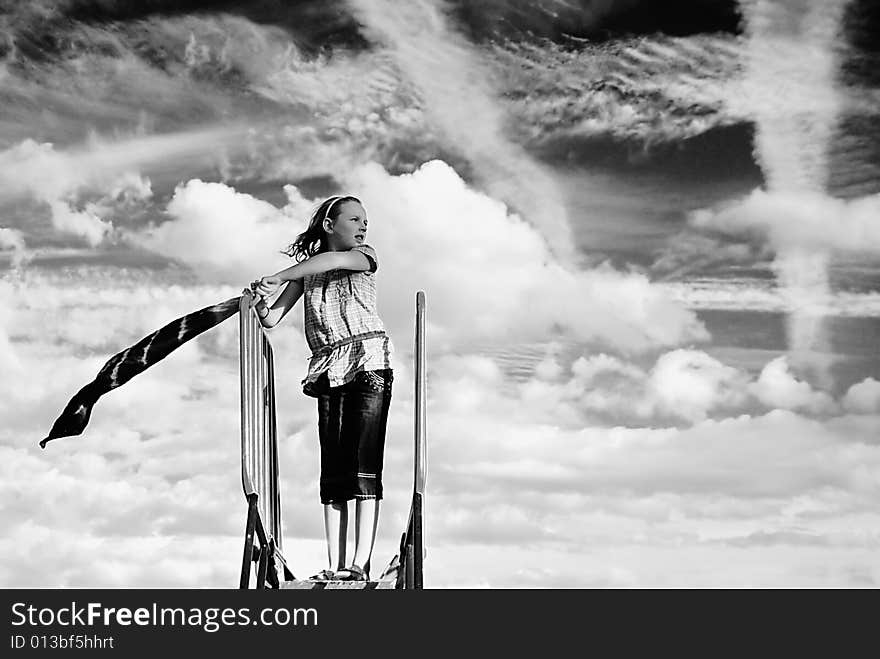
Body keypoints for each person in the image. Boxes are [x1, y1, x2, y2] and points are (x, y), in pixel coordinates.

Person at [250, 194, 394, 582]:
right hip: (328, 368)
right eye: (354, 219)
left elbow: (330, 261)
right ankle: (337, 561)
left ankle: (359, 563)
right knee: (333, 470)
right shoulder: (306, 274)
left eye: (365, 219)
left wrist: (280, 275)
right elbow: (271, 319)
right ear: (330, 225)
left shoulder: (364, 256)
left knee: (362, 463)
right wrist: (260, 300)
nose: (363, 226)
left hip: (367, 362)